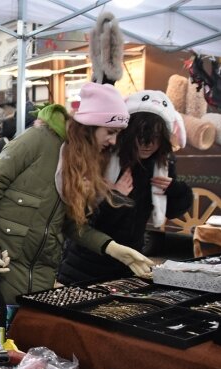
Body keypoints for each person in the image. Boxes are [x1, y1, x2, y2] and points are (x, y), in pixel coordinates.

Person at [0, 82, 154, 306]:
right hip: (2, 265)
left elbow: (70, 224)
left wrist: (112, 248)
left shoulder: (81, 162)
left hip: (40, 275)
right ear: (90, 126)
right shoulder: (38, 140)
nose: (113, 141)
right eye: (110, 132)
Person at [58, 90, 193, 284]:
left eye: (156, 137)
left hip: (129, 261)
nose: (148, 144)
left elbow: (172, 211)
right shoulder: (106, 156)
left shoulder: (161, 165)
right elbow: (81, 221)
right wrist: (115, 196)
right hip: (88, 262)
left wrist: (176, 190)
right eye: (141, 136)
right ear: (129, 133)